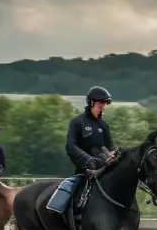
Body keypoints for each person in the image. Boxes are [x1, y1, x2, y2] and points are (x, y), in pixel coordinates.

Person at [47, 86, 117, 216]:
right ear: (91, 102)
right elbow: (70, 146)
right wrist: (88, 160)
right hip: (84, 169)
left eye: (105, 104)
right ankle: (59, 213)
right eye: (101, 103)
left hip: (102, 167)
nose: (103, 107)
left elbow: (111, 147)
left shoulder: (103, 125)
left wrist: (116, 155)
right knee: (73, 188)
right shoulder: (77, 122)